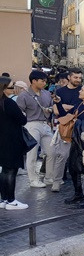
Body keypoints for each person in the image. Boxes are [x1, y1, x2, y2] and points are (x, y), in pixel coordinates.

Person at [16, 70, 55, 188]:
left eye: (45, 81)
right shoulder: (24, 95)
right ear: (34, 81)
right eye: (42, 81)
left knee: (52, 152)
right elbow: (19, 111)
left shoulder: (46, 93)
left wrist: (50, 110)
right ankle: (33, 179)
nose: (44, 83)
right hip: (31, 124)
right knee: (32, 154)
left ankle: (49, 177)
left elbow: (52, 106)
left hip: (45, 124)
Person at [50, 67, 83, 193]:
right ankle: (56, 181)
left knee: (79, 155)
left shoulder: (83, 90)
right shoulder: (60, 91)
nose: (78, 80)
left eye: (79, 78)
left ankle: (79, 183)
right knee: (62, 155)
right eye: (75, 77)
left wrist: (65, 106)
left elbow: (80, 109)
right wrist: (70, 108)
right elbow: (57, 110)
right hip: (65, 127)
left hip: (79, 126)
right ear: (69, 77)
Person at [0, 76, 29, 209]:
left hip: (2, 140)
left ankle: (4, 199)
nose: (13, 90)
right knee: (11, 170)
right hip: (12, 140)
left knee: (4, 170)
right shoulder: (9, 103)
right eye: (11, 87)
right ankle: (11, 200)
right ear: (4, 88)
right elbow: (22, 120)